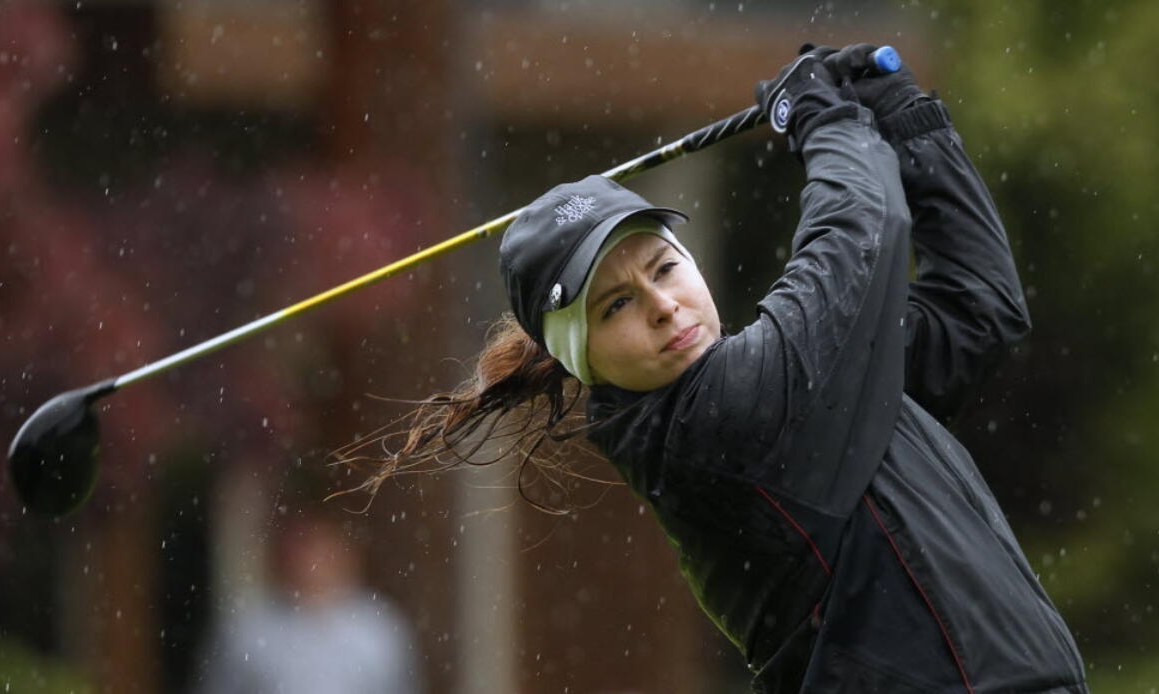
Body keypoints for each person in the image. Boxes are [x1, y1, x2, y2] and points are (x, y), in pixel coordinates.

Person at [362, 45, 1089, 692]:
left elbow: (976, 313)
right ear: (578, 358)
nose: (661, 306)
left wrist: (908, 123)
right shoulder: (718, 421)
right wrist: (827, 124)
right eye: (615, 305)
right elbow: (856, 240)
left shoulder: (792, 379)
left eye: (663, 269)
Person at [195, 512, 421, 694]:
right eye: (302, 549)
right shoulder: (249, 627)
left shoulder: (377, 625)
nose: (310, 562)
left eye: (319, 549)